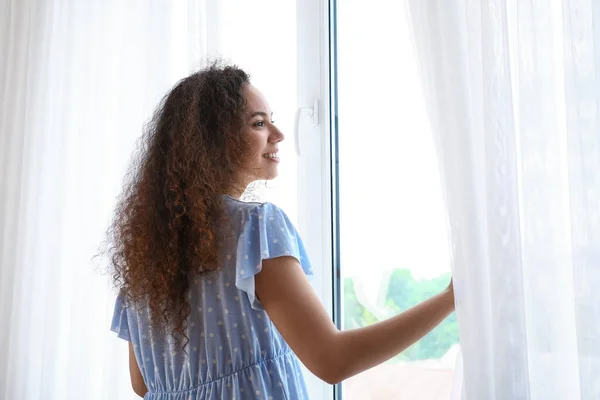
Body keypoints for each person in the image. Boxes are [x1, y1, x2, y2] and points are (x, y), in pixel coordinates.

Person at [106, 62, 455, 399]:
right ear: (212, 140)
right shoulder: (254, 228)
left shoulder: (146, 251)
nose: (279, 134)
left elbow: (143, 384)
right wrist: (450, 299)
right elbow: (332, 360)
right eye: (259, 124)